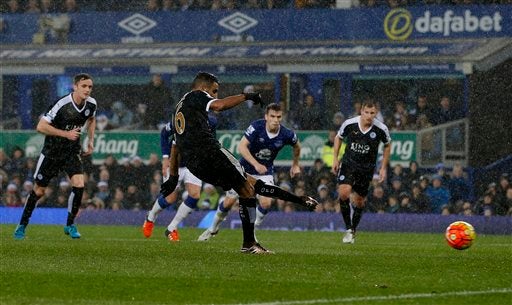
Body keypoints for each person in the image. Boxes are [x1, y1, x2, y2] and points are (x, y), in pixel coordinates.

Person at [161, 72, 318, 254]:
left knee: (249, 186)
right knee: (249, 188)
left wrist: (173, 178)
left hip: (195, 165)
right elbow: (219, 106)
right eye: (214, 90)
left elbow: (175, 146)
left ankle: (296, 202)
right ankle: (249, 243)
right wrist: (246, 96)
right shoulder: (197, 95)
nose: (215, 95)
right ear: (204, 88)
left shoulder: (180, 110)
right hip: (210, 153)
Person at [198, 103, 302, 241]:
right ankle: (212, 229)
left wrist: (295, 165)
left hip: (265, 172)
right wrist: (256, 164)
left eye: (278, 117)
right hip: (244, 170)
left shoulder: (286, 134)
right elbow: (242, 147)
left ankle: (252, 231)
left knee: (266, 203)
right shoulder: (257, 127)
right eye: (272, 116)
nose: (275, 120)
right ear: (266, 117)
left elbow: (297, 146)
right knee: (229, 203)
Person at [13, 73, 97, 240]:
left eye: (90, 87)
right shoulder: (62, 104)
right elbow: (41, 126)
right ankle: (22, 225)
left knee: (79, 184)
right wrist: (65, 134)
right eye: (84, 86)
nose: (87, 90)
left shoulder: (91, 104)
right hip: (52, 152)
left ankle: (70, 224)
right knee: (39, 191)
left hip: (71, 152)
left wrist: (90, 140)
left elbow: (92, 119)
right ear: (75, 87)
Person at [141, 117, 213, 241]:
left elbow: (211, 141)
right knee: (170, 198)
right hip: (174, 163)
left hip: (193, 164)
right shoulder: (181, 119)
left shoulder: (211, 122)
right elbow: (164, 133)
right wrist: (164, 158)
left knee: (195, 195)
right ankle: (151, 216)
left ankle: (172, 227)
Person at [331, 100, 391, 244]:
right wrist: (335, 158)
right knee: (344, 192)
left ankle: (353, 229)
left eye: (372, 113)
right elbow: (338, 137)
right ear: (361, 112)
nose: (369, 116)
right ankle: (348, 229)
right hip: (348, 164)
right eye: (366, 112)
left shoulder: (381, 129)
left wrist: (383, 167)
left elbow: (387, 145)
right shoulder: (350, 124)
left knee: (359, 202)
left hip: (366, 168)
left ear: (376, 113)